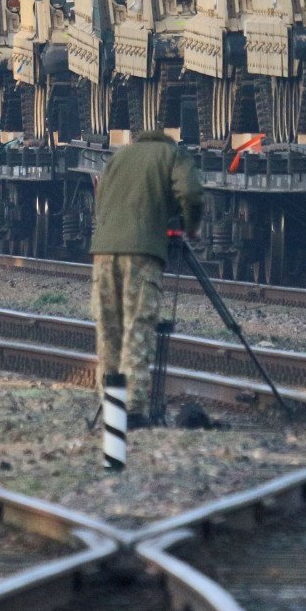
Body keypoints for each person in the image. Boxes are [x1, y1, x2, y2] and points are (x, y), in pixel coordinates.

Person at [88, 129, 203, 428]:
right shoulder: (174, 155)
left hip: (102, 251)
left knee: (109, 333)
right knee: (137, 328)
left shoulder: (119, 156)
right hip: (142, 253)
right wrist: (190, 226)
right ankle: (134, 410)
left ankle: (111, 409)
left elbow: (100, 199)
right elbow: (189, 192)